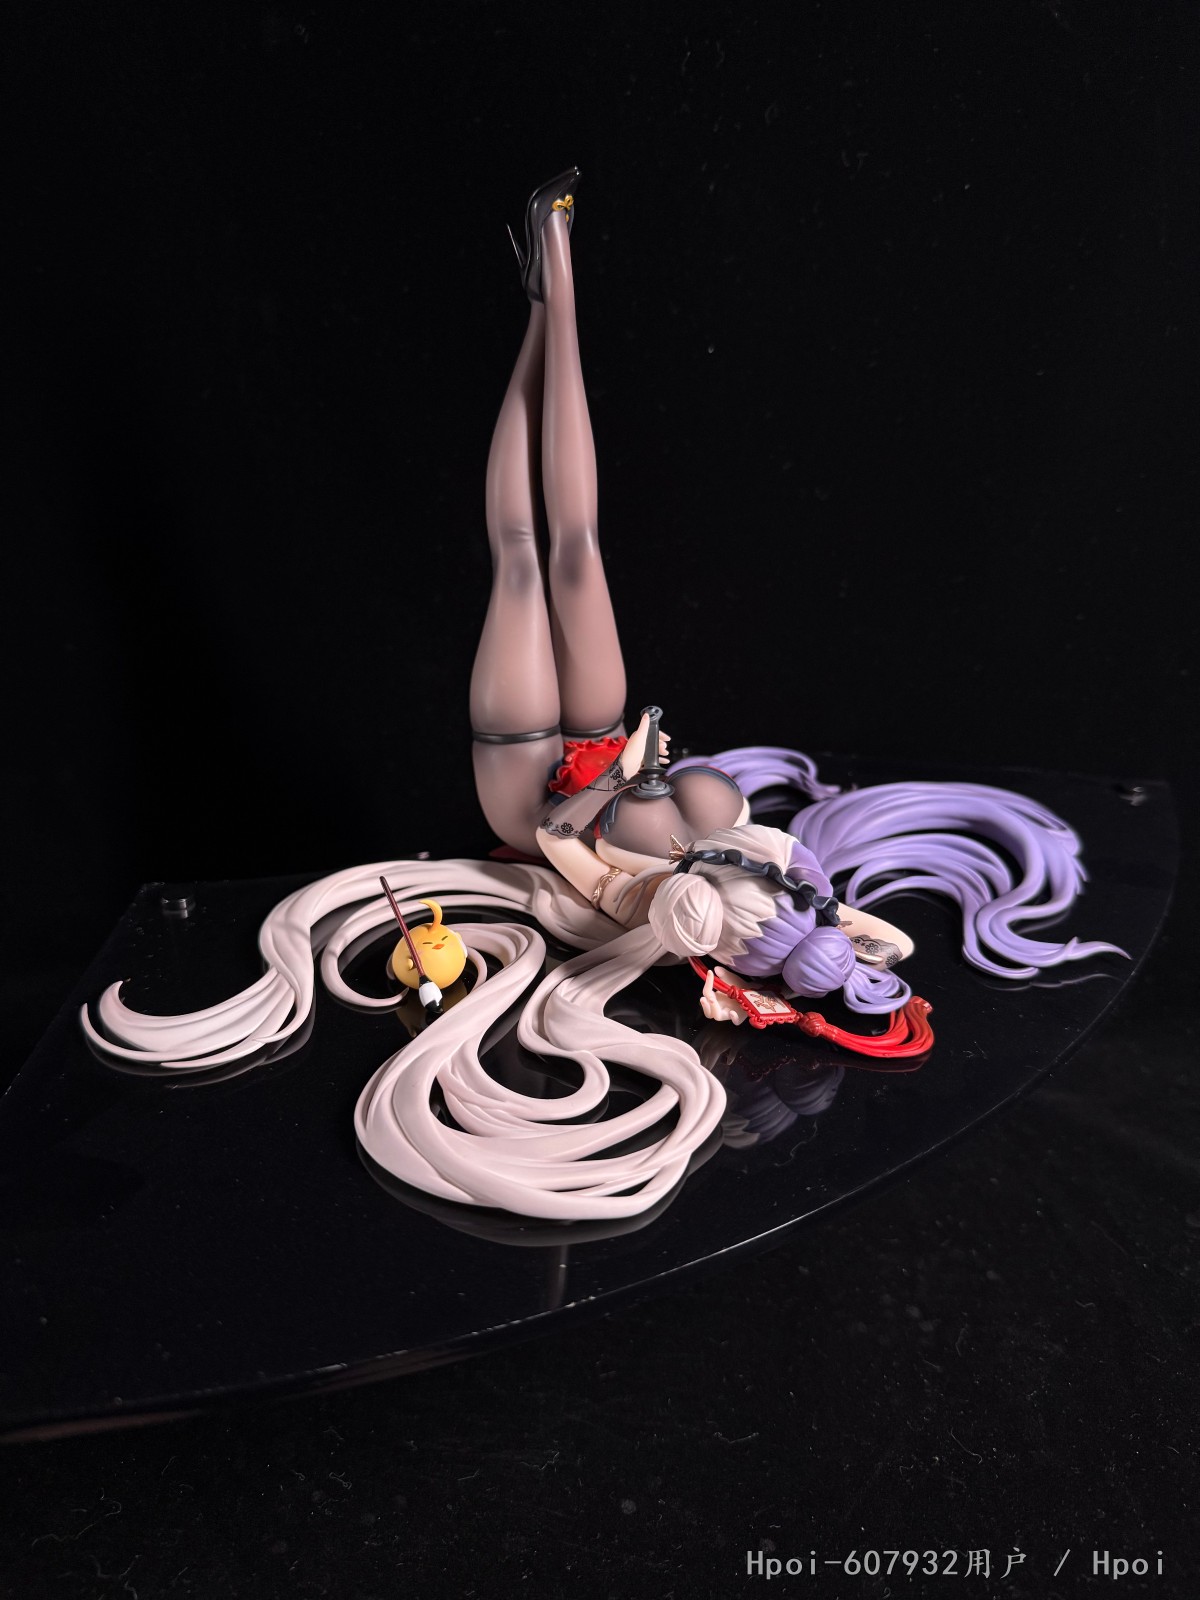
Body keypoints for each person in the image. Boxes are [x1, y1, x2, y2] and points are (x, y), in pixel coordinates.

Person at [79, 171, 1124, 1220]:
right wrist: (814, 919)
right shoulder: (765, 873)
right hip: (610, 742)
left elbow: (560, 843)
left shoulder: (669, 917)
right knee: (575, 548)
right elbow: (876, 935)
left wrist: (625, 800)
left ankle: (546, 307)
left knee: (522, 560)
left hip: (536, 790)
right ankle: (557, 284)